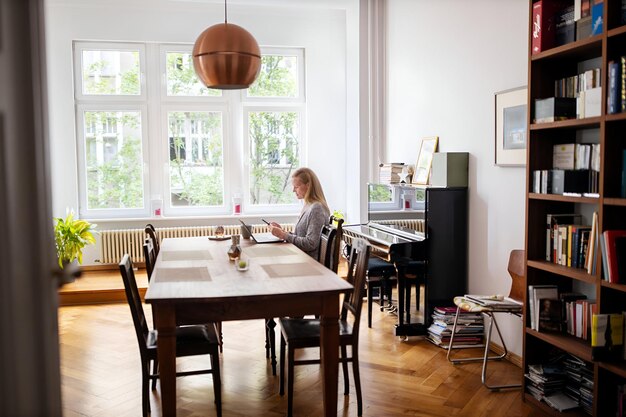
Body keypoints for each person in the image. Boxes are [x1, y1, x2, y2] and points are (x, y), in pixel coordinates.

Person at [268, 167, 330, 259]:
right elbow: (301, 236)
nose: (293, 190)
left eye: (296, 187)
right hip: (302, 257)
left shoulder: (317, 209)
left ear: (308, 185)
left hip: (310, 263)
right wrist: (283, 232)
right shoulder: (308, 205)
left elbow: (310, 243)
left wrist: (283, 235)